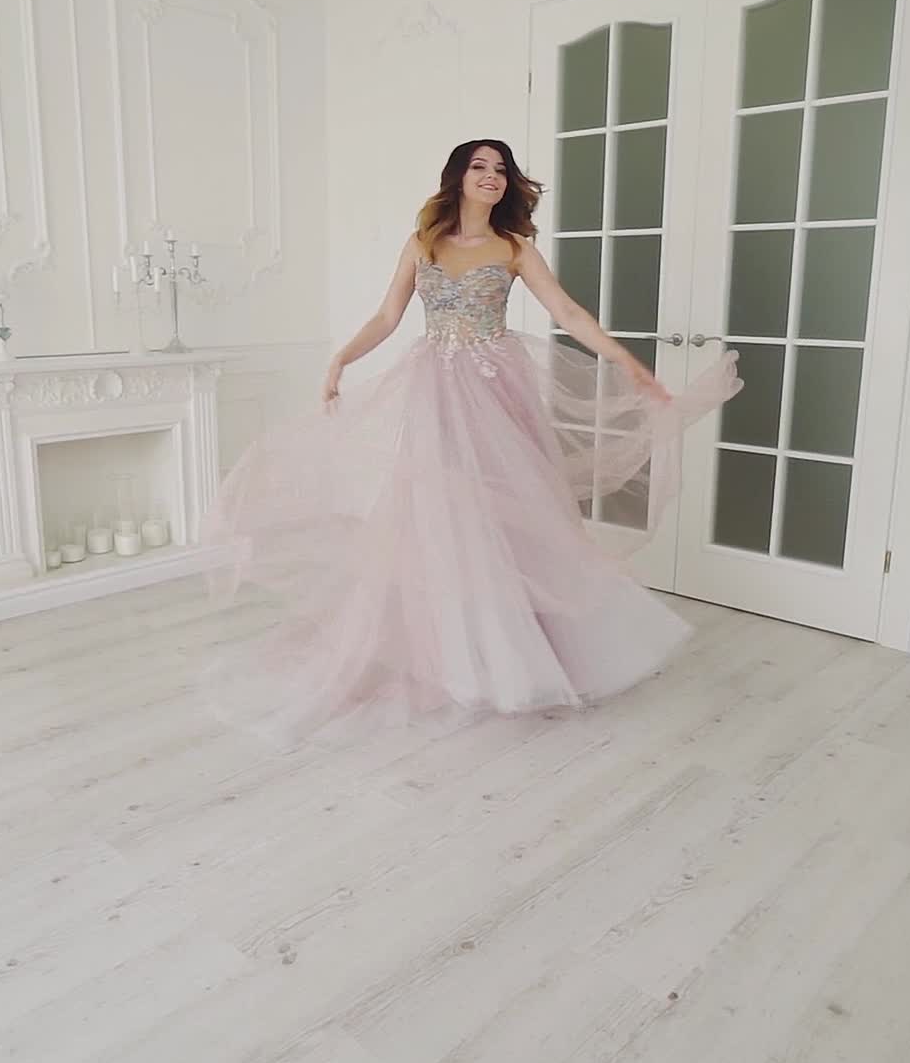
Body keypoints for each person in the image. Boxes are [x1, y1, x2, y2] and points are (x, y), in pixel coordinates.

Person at [196, 139, 741, 746]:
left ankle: (527, 654)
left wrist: (626, 363)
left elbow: (567, 313)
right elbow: (387, 316)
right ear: (457, 177)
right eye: (480, 167)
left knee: (511, 513)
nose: (492, 177)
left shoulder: (514, 247)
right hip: (436, 390)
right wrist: (340, 359)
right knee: (442, 515)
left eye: (501, 170)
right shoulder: (423, 243)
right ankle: (461, 653)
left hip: (497, 389)